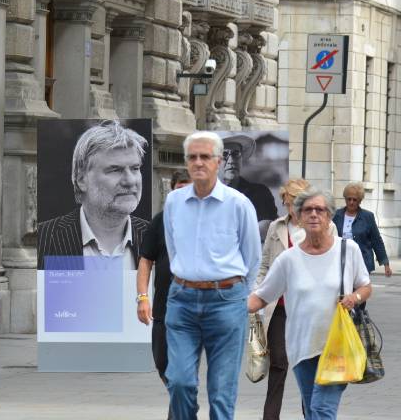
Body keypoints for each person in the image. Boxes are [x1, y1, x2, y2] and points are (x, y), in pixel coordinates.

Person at [249, 188, 372, 420]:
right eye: (308, 210)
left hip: (338, 345)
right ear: (299, 216)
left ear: (329, 216)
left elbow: (365, 286)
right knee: (312, 409)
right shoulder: (288, 259)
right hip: (302, 347)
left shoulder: (347, 250)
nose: (314, 214)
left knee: (321, 409)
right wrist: (228, 308)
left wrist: (354, 298)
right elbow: (261, 296)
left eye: (320, 210)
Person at [162, 131, 261, 420]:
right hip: (182, 299)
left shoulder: (238, 204)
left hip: (226, 301)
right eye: (192, 157)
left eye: (205, 156)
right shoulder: (173, 202)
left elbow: (252, 257)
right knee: (179, 382)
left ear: (218, 161)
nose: (198, 162)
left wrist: (239, 296)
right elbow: (173, 248)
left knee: (221, 392)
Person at [256, 179, 337, 420]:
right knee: (279, 363)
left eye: (294, 202)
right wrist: (257, 293)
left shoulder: (326, 227)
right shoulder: (276, 227)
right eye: (287, 202)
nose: (290, 207)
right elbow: (265, 265)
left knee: (309, 363)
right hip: (279, 307)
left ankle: (309, 412)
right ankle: (270, 416)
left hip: (311, 309)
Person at [37, 120, 149, 270]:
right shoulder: (44, 238)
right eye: (115, 170)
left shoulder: (158, 238)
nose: (130, 181)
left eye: (135, 168)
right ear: (81, 180)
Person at [136, 169, 191, 419]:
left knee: (181, 370)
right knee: (162, 363)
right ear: (172, 190)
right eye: (179, 188)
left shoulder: (203, 222)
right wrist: (142, 297)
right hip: (163, 307)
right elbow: (145, 260)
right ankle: (181, 401)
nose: (183, 193)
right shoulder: (160, 221)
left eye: (188, 188)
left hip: (191, 310)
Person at [333, 182, 392, 281]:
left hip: (362, 262)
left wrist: (385, 264)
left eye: (354, 200)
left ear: (360, 201)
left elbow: (376, 241)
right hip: (341, 261)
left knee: (360, 289)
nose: (351, 202)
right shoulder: (336, 215)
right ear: (345, 199)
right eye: (349, 199)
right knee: (343, 289)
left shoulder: (367, 217)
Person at [219, 135, 278, 232]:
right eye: (224, 155)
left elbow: (269, 228)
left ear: (241, 159)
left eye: (236, 154)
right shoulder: (204, 197)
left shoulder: (260, 193)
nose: (231, 161)